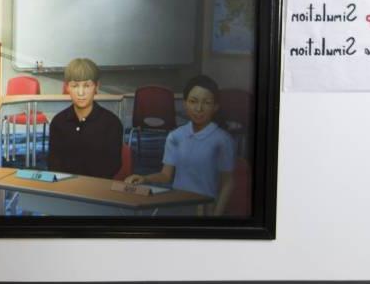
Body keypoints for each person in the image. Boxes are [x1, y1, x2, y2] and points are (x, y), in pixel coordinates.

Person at [124, 74, 235, 216]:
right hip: (177, 204)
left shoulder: (223, 139)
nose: (199, 108)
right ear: (185, 104)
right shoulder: (176, 136)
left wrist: (216, 215)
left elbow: (228, 183)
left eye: (206, 103)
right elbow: (166, 175)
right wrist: (145, 178)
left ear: (215, 107)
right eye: (193, 102)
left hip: (205, 209)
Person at [46, 58, 123, 178]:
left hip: (97, 189)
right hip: (65, 188)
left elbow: (113, 165)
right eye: (75, 86)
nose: (81, 93)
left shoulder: (111, 123)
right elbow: (53, 164)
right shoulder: (58, 122)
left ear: (96, 87)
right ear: (67, 88)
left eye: (87, 86)